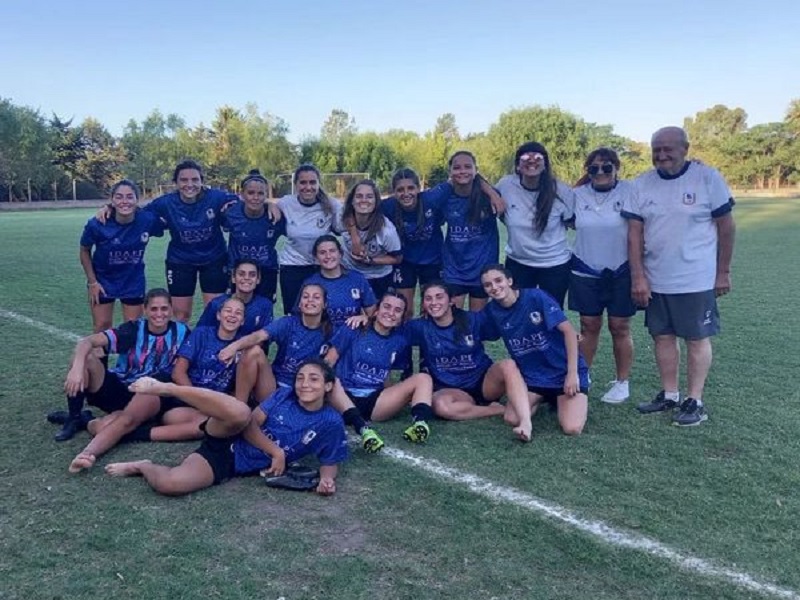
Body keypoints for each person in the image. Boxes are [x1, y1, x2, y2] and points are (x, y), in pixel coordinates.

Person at [623, 126, 735, 426]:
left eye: (667, 149)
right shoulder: (641, 185)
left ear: (685, 149)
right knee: (662, 337)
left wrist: (723, 271)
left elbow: (726, 226)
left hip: (696, 279)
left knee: (697, 339)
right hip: (656, 278)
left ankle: (694, 400)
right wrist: (638, 276)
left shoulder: (707, 178)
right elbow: (634, 235)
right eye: (656, 149)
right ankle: (670, 394)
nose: (661, 155)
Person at [104, 359, 348, 497]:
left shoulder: (331, 422)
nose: (304, 384)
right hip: (228, 432)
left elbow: (330, 459)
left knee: (171, 484)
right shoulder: (284, 395)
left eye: (313, 379)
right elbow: (248, 424)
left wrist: (326, 481)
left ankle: (142, 466)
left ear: (328, 387)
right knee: (241, 412)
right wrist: (276, 451)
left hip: (231, 463)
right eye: (300, 378)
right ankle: (167, 388)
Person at [66, 297, 247, 474]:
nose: (232, 316)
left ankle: (121, 430)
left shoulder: (238, 347)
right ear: (218, 315)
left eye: (238, 313)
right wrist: (77, 368)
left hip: (170, 397)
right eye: (228, 311)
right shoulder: (197, 333)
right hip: (145, 388)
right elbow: (178, 372)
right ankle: (86, 448)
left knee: (203, 426)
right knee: (125, 417)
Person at [48, 287, 190, 442]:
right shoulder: (133, 330)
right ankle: (73, 417)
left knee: (104, 429)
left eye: (164, 309)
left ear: (171, 309)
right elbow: (87, 342)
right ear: (145, 310)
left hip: (152, 396)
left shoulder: (182, 332)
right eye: (154, 309)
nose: (159, 314)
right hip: (121, 389)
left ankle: (85, 420)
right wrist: (76, 369)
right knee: (85, 357)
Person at [406, 282, 533, 441]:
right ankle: (497, 410)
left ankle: (525, 422)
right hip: (452, 390)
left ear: (451, 300)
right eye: (428, 299)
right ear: (423, 303)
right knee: (440, 406)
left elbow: (503, 319)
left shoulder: (472, 319)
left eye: (439, 297)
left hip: (484, 383)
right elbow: (391, 331)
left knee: (508, 365)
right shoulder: (419, 327)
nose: (434, 303)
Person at [481, 265, 589, 437]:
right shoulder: (491, 311)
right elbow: (470, 329)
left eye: (498, 280)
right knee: (511, 418)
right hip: (533, 376)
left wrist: (572, 373)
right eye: (487, 285)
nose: (494, 287)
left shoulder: (536, 297)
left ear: (509, 281)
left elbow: (569, 332)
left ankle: (560, 397)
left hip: (562, 371)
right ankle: (542, 398)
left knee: (572, 428)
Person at [569, 148, 637, 403]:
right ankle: (583, 375)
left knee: (619, 326)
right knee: (589, 326)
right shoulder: (576, 195)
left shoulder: (630, 190)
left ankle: (622, 382)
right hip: (585, 269)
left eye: (606, 167)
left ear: (616, 168)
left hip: (621, 269)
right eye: (594, 168)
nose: (600, 173)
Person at [324, 290, 435, 447]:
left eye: (397, 310)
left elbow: (386, 376)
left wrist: (400, 397)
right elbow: (328, 362)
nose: (391, 313)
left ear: (402, 318)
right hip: (342, 396)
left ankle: (419, 425)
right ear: (376, 310)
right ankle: (363, 429)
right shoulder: (354, 328)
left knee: (424, 378)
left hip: (374, 402)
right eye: (387, 307)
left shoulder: (399, 341)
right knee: (329, 378)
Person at [219, 283, 334, 402]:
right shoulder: (288, 323)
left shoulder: (331, 331)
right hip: (274, 385)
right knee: (254, 351)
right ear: (299, 304)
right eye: (305, 297)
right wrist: (234, 347)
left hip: (305, 388)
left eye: (316, 297)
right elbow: (259, 336)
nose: (310, 300)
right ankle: (240, 405)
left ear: (324, 304)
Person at [495, 142, 577, 308]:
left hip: (555, 265)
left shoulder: (562, 191)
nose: (531, 161)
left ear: (545, 164)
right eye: (525, 157)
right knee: (519, 313)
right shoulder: (506, 185)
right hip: (518, 263)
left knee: (551, 315)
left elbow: (571, 222)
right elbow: (496, 206)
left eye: (538, 157)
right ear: (517, 165)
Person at [79, 179, 165, 332]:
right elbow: (84, 250)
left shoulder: (147, 220)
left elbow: (170, 219)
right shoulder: (97, 223)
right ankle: (100, 356)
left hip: (133, 281)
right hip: (103, 281)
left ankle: (126, 357)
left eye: (129, 197)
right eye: (119, 197)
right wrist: (92, 282)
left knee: (132, 329)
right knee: (102, 326)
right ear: (112, 200)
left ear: (136, 200)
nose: (124, 201)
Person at [277, 164, 342, 315]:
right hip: (292, 266)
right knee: (294, 313)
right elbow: (268, 208)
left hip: (321, 267)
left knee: (322, 312)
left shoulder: (332, 205)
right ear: (296, 185)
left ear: (319, 184)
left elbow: (342, 229)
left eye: (312, 182)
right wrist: (270, 206)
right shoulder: (286, 203)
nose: (308, 187)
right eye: (303, 182)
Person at [441, 151, 501, 311]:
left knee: (477, 323)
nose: (462, 171)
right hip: (454, 270)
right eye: (457, 167)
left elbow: (501, 206)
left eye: (468, 167)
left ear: (476, 170)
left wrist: (489, 191)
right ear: (450, 172)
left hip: (482, 270)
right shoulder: (445, 198)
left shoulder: (490, 196)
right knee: (452, 321)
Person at [221, 169, 285, 302]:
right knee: (236, 308)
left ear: (266, 194)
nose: (255, 197)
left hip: (267, 269)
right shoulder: (231, 213)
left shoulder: (276, 216)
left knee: (264, 309)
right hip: (238, 270)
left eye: (260, 193)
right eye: (250, 193)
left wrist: (271, 204)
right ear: (242, 194)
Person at [338, 179, 403, 299]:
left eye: (369, 196)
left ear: (376, 201)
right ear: (352, 201)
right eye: (359, 196)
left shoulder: (386, 230)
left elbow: (397, 258)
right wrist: (353, 233)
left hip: (378, 277)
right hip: (349, 273)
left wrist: (370, 260)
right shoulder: (342, 219)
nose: (364, 200)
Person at [302, 235, 376, 328]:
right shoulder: (310, 283)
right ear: (316, 257)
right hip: (322, 337)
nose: (328, 256)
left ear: (340, 254)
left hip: (353, 335)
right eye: (322, 252)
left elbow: (372, 314)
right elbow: (301, 318)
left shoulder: (357, 279)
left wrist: (364, 317)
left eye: (332, 251)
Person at [196, 259, 274, 335]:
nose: (246, 278)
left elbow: (265, 338)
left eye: (252, 275)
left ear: (258, 279)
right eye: (241, 274)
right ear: (233, 278)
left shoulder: (265, 305)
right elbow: (200, 332)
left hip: (249, 347)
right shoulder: (217, 304)